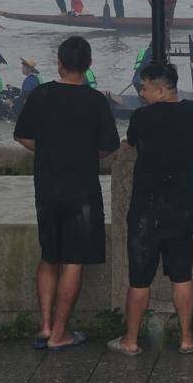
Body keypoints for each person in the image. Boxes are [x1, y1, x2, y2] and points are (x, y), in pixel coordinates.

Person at [12, 36, 118, 351]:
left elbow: (22, 135)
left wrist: (48, 150)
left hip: (47, 187)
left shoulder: (41, 94)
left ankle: (45, 327)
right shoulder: (96, 101)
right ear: (88, 66)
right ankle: (61, 332)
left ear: (59, 63)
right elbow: (108, 148)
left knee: (49, 256)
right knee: (73, 260)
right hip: (82, 191)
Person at [109, 63, 193, 356]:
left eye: (145, 88)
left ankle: (130, 340)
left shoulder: (142, 117)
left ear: (161, 90)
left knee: (139, 278)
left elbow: (133, 143)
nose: (141, 93)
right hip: (181, 207)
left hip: (145, 210)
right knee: (182, 275)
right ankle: (187, 338)